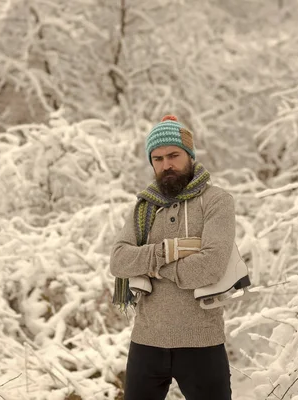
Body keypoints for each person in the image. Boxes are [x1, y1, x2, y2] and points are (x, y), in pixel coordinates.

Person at [110, 115, 235, 400]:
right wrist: (169, 252)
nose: (166, 165)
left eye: (173, 155)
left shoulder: (216, 201)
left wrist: (152, 267)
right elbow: (118, 261)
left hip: (202, 341)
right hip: (146, 341)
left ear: (190, 156)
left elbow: (211, 267)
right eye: (157, 158)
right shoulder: (145, 207)